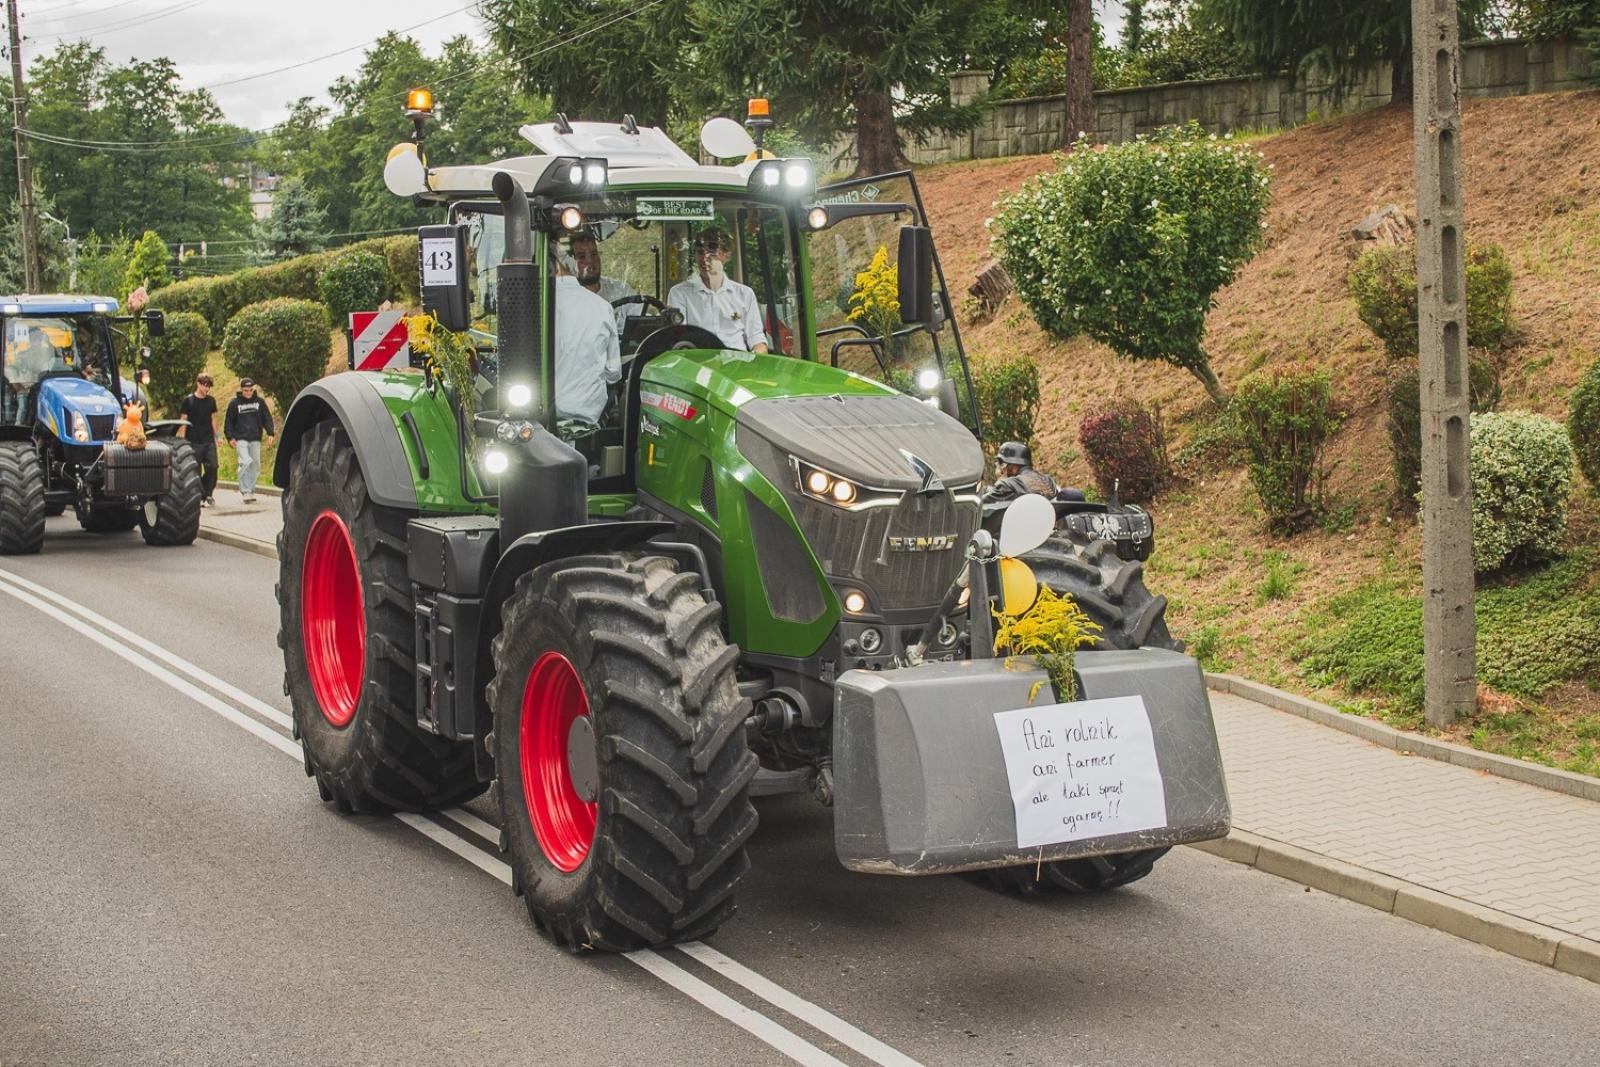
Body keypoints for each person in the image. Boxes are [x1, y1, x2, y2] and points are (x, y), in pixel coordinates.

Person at [667, 227, 769, 353]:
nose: (705, 258)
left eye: (712, 252)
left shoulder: (745, 294)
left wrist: (754, 358)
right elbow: (679, 340)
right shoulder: (679, 294)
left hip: (737, 361)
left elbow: (757, 339)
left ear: (727, 255)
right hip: (698, 361)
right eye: (700, 252)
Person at [552, 250, 622, 427]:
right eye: (581, 257)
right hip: (589, 415)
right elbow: (614, 373)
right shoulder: (602, 306)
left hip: (544, 414)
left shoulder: (538, 303)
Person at [569, 231, 640, 327]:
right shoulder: (567, 298)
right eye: (582, 256)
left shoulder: (621, 290)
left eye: (594, 254)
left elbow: (642, 319)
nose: (590, 261)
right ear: (572, 261)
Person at [224, 378, 275, 505]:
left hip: (255, 437)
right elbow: (229, 422)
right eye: (246, 390)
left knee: (255, 465)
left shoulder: (259, 402)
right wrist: (230, 437)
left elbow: (267, 418)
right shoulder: (234, 404)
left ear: (253, 389)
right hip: (241, 438)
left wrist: (270, 433)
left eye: (250, 390)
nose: (248, 393)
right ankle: (245, 490)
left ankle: (251, 489)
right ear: (241, 390)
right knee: (245, 461)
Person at [178, 373, 219, 507]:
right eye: (205, 385)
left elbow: (213, 419)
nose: (207, 389)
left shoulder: (211, 401)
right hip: (193, 440)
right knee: (195, 470)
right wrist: (182, 439)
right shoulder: (188, 401)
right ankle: (201, 496)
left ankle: (208, 493)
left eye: (208, 386)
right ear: (198, 384)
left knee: (213, 466)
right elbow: (183, 420)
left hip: (208, 440)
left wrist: (217, 436)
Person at [982, 440, 1059, 504]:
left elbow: (980, 503)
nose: (1000, 467)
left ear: (1014, 466)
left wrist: (1000, 479)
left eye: (1001, 463)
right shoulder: (1048, 480)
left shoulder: (1007, 485)